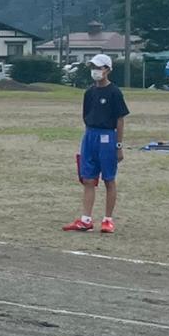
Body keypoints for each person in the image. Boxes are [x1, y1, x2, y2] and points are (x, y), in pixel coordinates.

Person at [64, 54, 128, 234]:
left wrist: (118, 145)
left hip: (107, 137)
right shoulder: (89, 92)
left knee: (109, 179)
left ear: (107, 69)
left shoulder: (114, 92)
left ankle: (108, 219)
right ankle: (86, 219)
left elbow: (120, 119)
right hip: (90, 135)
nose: (95, 71)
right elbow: (86, 115)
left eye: (99, 67)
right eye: (93, 67)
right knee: (88, 179)